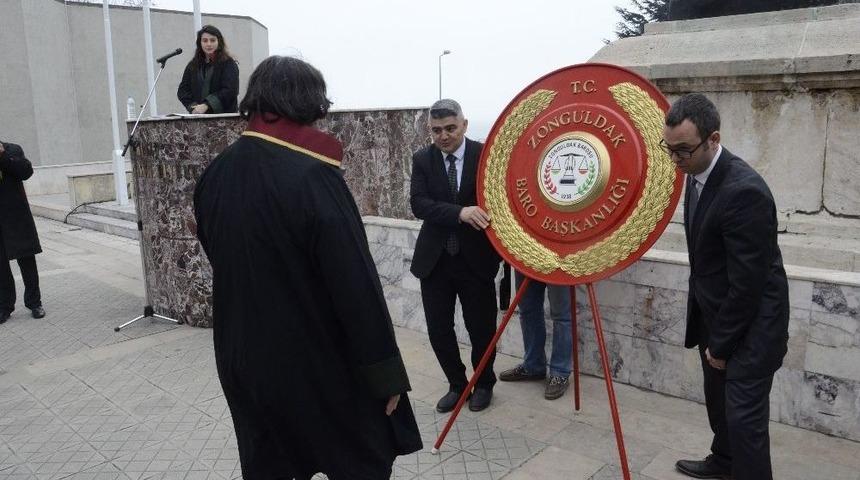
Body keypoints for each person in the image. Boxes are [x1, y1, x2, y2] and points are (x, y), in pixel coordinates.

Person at [193, 56, 421, 480]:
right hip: (315, 363)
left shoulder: (215, 174)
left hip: (242, 360)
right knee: (361, 459)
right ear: (308, 103)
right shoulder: (313, 176)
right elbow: (354, 284)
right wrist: (385, 374)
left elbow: (220, 256)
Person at [661, 93, 789, 480]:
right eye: (669, 149)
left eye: (683, 151)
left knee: (745, 422)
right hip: (715, 317)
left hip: (752, 329)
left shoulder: (744, 192)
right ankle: (724, 461)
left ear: (713, 139)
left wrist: (721, 344)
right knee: (719, 404)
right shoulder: (695, 173)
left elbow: (748, 284)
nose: (675, 160)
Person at [409, 99, 501, 413]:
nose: (444, 136)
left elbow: (498, 200)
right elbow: (419, 204)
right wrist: (460, 212)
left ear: (464, 124)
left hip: (476, 261)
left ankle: (484, 383)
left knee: (482, 329)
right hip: (435, 262)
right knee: (439, 330)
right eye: (436, 130)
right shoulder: (423, 159)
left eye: (450, 128)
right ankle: (457, 385)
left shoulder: (485, 155)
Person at [499, 274, 572, 400]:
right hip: (527, 261)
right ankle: (533, 366)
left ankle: (560, 373)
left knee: (561, 316)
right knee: (528, 309)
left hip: (561, 263)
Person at [0, 141, 45, 324]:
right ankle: (4, 306)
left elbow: (26, 172)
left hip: (16, 217)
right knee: (1, 267)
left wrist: (3, 156)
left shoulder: (12, 150)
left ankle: (34, 303)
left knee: (27, 261)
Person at [177, 25, 239, 114]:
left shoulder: (228, 63)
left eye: (212, 40)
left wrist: (207, 105)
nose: (209, 44)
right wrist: (193, 107)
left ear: (219, 42)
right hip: (198, 117)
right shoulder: (192, 66)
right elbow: (183, 91)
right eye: (205, 40)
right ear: (200, 43)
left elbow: (230, 91)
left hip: (224, 117)